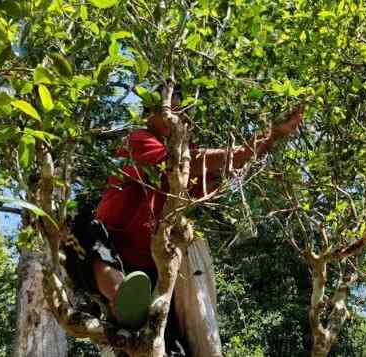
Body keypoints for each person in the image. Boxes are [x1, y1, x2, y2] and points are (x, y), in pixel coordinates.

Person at [66, 89, 305, 355]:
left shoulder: (181, 175)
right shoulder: (139, 140)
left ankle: (134, 312)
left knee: (166, 347)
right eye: (173, 111)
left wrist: (270, 139)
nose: (180, 118)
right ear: (150, 114)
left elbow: (218, 170)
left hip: (149, 272)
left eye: (183, 113)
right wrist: (263, 139)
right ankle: (118, 294)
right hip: (110, 250)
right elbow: (200, 162)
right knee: (84, 228)